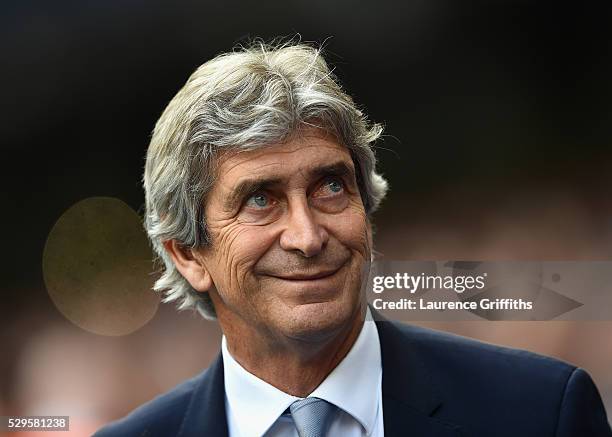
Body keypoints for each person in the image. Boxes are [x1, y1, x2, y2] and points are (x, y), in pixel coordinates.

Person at [94, 41, 611, 437]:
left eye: (331, 186)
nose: (307, 235)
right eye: (260, 199)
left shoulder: (541, 412)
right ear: (187, 253)